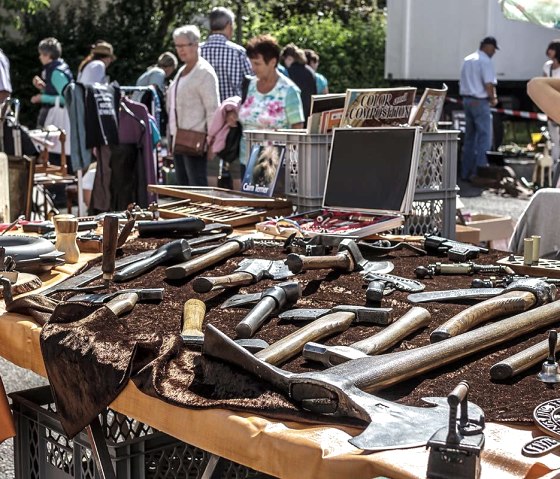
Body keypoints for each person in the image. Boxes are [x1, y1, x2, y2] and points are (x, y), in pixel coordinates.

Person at [235, 34, 304, 179]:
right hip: (246, 159)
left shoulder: (289, 90)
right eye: (251, 63)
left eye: (257, 64)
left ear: (272, 62)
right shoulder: (251, 84)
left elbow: (298, 129)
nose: (253, 68)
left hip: (275, 164)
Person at [167, 25, 219, 186]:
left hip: (196, 140)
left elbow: (212, 109)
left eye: (184, 45)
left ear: (196, 44)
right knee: (183, 188)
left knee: (196, 188)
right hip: (178, 138)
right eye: (177, 46)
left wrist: (211, 141)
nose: (181, 50)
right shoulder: (181, 70)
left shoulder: (204, 72)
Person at [459, 36, 499, 182]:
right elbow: (488, 83)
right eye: (493, 49)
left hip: (467, 100)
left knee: (469, 138)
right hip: (480, 101)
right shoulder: (485, 61)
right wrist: (493, 98)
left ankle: (465, 172)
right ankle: (480, 172)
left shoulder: (467, 59)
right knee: (484, 138)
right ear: (488, 47)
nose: (494, 52)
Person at [200, 6, 253, 102]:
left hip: (204, 112)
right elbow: (251, 82)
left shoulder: (197, 51)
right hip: (232, 111)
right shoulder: (238, 52)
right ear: (228, 25)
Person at [30, 37, 73, 127]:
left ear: (48, 55)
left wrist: (42, 98)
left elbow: (66, 98)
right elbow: (55, 91)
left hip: (54, 116)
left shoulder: (56, 73)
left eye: (41, 54)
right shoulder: (59, 67)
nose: (40, 57)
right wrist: (43, 88)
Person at [280, 43, 316, 120]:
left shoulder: (289, 72)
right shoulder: (309, 70)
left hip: (295, 112)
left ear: (289, 58)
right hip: (309, 111)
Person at [542, 40, 560, 174]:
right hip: (552, 105)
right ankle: (554, 169)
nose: (549, 51)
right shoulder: (547, 66)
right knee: (554, 139)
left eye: (552, 49)